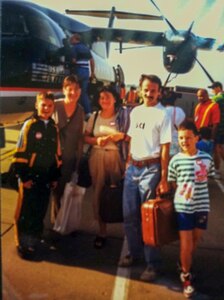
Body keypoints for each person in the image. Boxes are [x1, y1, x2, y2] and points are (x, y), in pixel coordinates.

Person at [118, 74, 172, 282]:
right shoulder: (136, 111)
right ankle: (134, 252)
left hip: (151, 169)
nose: (149, 94)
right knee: (130, 215)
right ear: (140, 90)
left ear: (159, 92)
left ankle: (152, 264)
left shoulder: (163, 115)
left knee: (149, 219)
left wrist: (164, 178)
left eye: (153, 90)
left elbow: (165, 148)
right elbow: (133, 139)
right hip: (133, 168)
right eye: (146, 90)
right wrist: (128, 163)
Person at [12, 92, 62, 259]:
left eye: (50, 106)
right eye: (43, 105)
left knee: (40, 210)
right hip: (30, 178)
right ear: (36, 105)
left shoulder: (54, 127)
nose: (46, 108)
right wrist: (24, 177)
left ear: (53, 107)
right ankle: (23, 243)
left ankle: (34, 238)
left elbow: (57, 153)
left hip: (46, 178)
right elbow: (20, 152)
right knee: (26, 210)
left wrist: (55, 176)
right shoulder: (30, 125)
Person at [168, 120, 215, 298]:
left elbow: (208, 178)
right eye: (181, 138)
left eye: (188, 137)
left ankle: (183, 263)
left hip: (202, 206)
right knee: (186, 244)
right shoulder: (175, 160)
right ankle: (186, 277)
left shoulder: (207, 158)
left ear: (196, 138)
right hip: (183, 207)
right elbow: (172, 182)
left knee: (195, 241)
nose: (184, 141)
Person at [84, 85, 125, 249]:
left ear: (115, 99)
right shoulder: (94, 117)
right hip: (97, 157)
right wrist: (96, 141)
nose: (104, 100)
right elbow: (86, 137)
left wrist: (115, 136)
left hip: (116, 158)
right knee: (99, 193)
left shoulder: (122, 116)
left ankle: (126, 231)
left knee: (119, 193)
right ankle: (102, 231)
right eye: (101, 97)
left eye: (108, 97)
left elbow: (127, 135)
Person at [52, 75, 85, 219]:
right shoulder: (54, 105)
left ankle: (59, 225)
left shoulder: (80, 111)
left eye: (76, 89)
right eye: (69, 89)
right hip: (52, 159)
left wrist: (78, 161)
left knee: (61, 192)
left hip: (69, 159)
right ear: (63, 90)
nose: (73, 92)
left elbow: (79, 137)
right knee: (50, 192)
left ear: (81, 91)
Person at [70, 33, 95, 117]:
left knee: (74, 91)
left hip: (78, 70)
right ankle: (88, 112)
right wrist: (92, 73)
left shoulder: (74, 48)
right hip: (86, 71)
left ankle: (74, 112)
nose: (70, 40)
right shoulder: (86, 49)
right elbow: (92, 61)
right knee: (83, 93)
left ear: (75, 39)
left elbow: (73, 61)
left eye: (71, 39)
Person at [162, 90, 186, 157]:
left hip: (165, 142)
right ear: (175, 101)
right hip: (178, 141)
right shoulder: (180, 111)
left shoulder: (162, 111)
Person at [208, 81, 224, 179]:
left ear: (218, 88)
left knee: (216, 149)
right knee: (220, 148)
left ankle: (217, 171)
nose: (212, 90)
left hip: (218, 128)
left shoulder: (215, 99)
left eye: (213, 88)